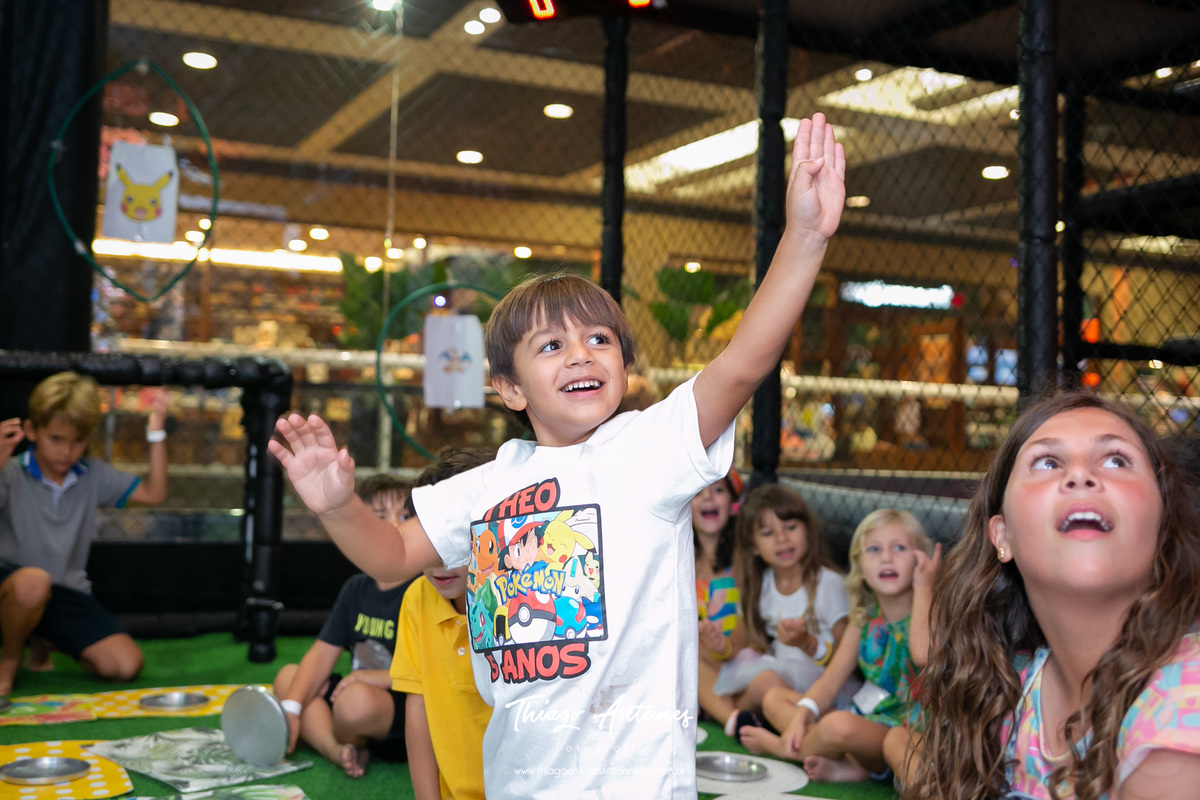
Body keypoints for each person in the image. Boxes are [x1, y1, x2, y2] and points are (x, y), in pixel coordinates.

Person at [268, 112, 845, 799]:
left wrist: (805, 236)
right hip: (520, 779)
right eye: (551, 345)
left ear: (625, 367)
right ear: (509, 388)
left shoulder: (645, 450)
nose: (581, 353)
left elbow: (745, 363)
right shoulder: (487, 484)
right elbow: (390, 556)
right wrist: (338, 507)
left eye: (600, 340)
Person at [906, 392, 1200, 800]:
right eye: (1048, 462)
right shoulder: (1013, 692)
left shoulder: (1186, 699)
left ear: (1163, 525)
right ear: (1002, 536)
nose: (1080, 476)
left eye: (1116, 460)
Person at [740, 508, 938, 784]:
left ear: (921, 561)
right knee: (775, 699)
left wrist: (924, 587)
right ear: (860, 569)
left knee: (837, 726)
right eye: (874, 549)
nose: (886, 557)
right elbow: (830, 682)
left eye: (899, 547)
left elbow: (924, 653)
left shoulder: (932, 610)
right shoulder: (864, 619)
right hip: (866, 719)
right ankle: (854, 767)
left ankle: (782, 748)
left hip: (905, 734)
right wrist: (803, 714)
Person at [0, 372, 169, 696]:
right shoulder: (10, 471)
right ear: (32, 431)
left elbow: (154, 493)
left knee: (125, 666)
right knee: (33, 582)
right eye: (56, 439)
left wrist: (157, 432)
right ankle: (10, 659)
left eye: (77, 441)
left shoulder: (93, 475)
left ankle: (45, 638)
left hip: (65, 593)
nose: (67, 451)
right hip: (12, 586)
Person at [271, 473, 413, 778]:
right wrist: (293, 708)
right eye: (381, 516)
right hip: (353, 692)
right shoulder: (356, 588)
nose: (396, 524)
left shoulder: (424, 588)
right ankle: (339, 751)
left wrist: (379, 678)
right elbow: (322, 654)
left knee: (353, 703)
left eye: (405, 515)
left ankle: (342, 730)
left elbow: (435, 669)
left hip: (396, 712)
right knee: (289, 679)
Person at [390, 447, 496, 800]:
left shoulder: (522, 599)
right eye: (429, 539)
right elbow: (417, 711)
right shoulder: (418, 598)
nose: (438, 559)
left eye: (456, 538)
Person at [712, 484, 851, 733]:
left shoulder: (828, 584)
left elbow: (850, 652)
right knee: (761, 684)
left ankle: (806, 735)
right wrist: (721, 645)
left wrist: (809, 643)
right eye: (767, 533)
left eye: (790, 527)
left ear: (808, 530)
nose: (782, 539)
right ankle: (745, 720)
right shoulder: (761, 584)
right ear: (753, 546)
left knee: (765, 688)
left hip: (824, 684)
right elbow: (743, 639)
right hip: (781, 678)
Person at [694, 470, 745, 724]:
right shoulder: (681, 560)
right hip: (699, 668)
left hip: (737, 663)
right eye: (698, 492)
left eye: (718, 490)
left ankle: (728, 717)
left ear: (734, 504)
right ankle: (733, 719)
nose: (708, 498)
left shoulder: (744, 558)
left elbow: (751, 628)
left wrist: (721, 646)